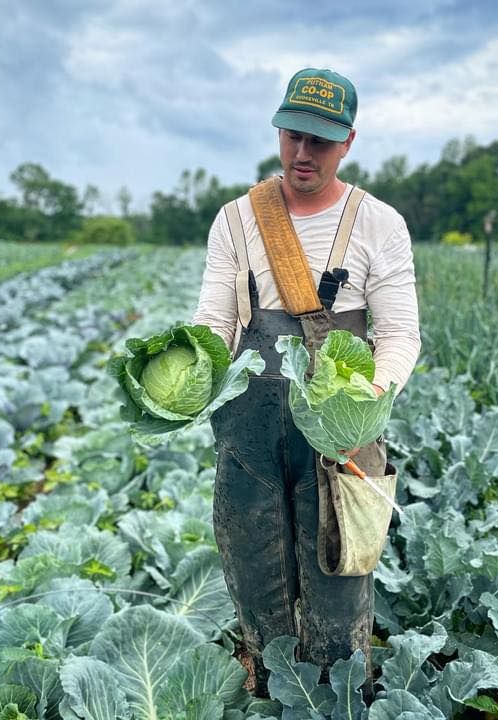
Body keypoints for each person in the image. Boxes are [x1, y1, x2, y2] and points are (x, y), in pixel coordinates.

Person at [192, 67, 421, 696]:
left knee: (340, 578)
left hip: (341, 435)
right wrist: (189, 380)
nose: (302, 153)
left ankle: (340, 692)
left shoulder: (379, 223)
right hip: (250, 432)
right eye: (293, 135)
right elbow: (215, 320)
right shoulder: (238, 219)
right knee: (256, 571)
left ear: (347, 141)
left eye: (319, 141)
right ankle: (268, 689)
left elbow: (400, 334)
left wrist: (366, 403)